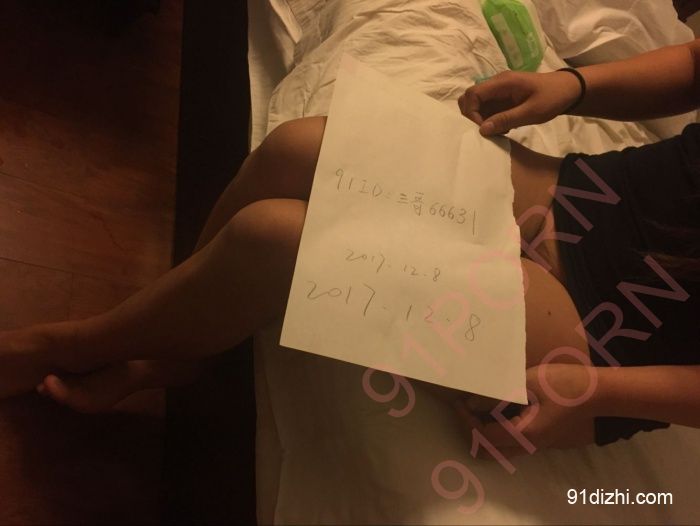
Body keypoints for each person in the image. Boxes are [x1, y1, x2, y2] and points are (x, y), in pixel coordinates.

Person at [0, 38, 698, 454]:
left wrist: (597, 392)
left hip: (617, 338)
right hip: (597, 195)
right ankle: (174, 353)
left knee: (279, 238)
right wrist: (569, 87)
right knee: (297, 148)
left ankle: (69, 345)